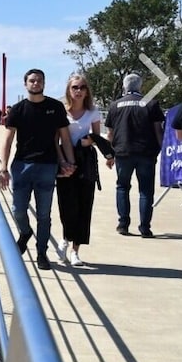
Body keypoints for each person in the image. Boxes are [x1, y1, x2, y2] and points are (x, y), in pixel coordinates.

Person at [0, 68, 76, 271]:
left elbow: (65, 138)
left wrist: (70, 162)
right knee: (18, 210)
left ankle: (42, 252)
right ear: (25, 84)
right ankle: (25, 232)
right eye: (32, 80)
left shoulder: (55, 107)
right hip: (21, 165)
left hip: (47, 166)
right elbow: (8, 140)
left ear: (44, 83)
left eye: (39, 80)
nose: (36, 83)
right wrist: (3, 168)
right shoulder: (17, 110)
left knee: (44, 214)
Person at [57, 74, 113, 266]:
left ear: (87, 91)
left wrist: (91, 142)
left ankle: (75, 250)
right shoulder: (61, 112)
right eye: (75, 87)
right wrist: (62, 161)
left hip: (86, 160)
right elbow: (56, 139)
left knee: (84, 205)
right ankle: (65, 237)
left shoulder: (93, 111)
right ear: (69, 90)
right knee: (67, 203)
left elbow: (97, 137)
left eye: (82, 87)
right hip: (66, 161)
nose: (79, 91)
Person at [105, 73, 164, 238]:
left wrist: (109, 155)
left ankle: (123, 224)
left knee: (122, 187)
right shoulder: (151, 104)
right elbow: (158, 131)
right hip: (146, 153)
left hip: (123, 152)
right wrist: (162, 151)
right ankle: (145, 228)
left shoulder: (115, 105)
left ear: (124, 86)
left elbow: (110, 134)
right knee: (146, 190)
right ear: (140, 86)